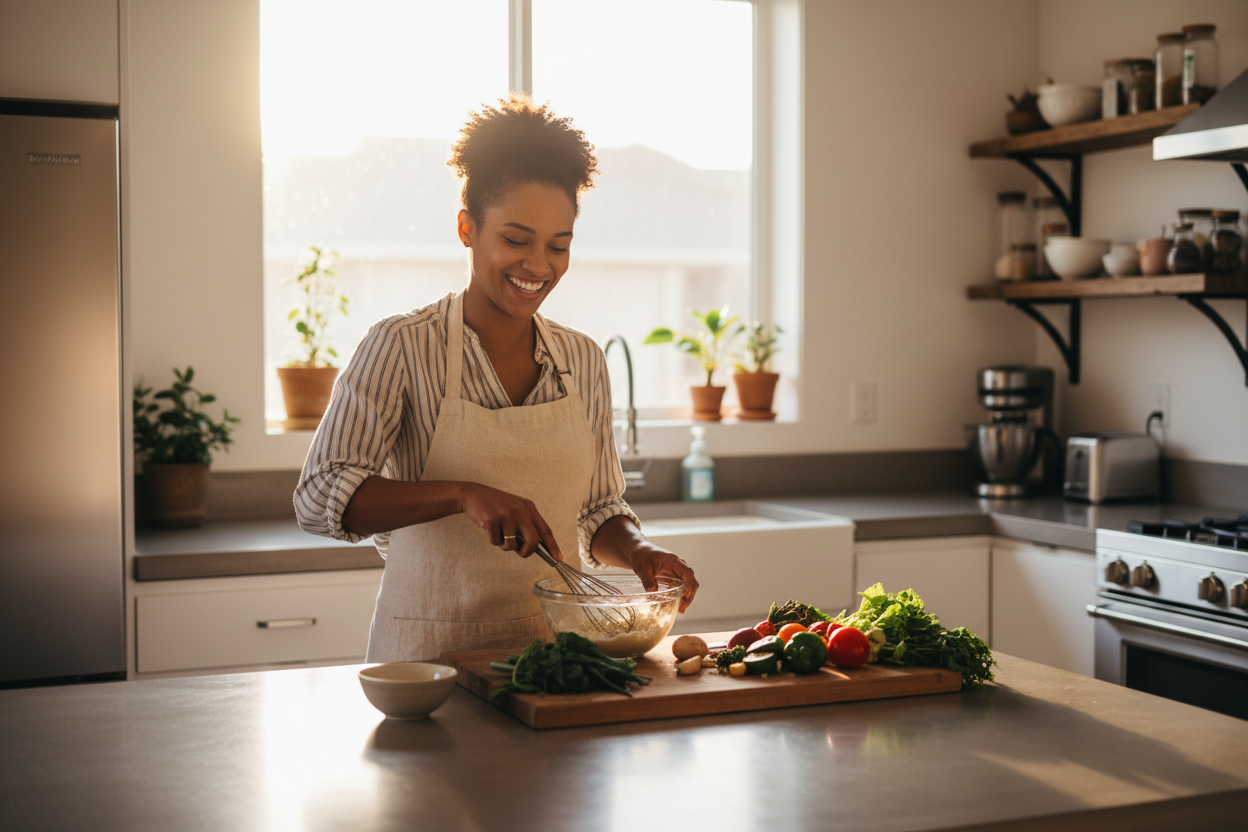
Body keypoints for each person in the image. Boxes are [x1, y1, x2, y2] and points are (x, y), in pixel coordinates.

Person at [294, 95, 699, 662]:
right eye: (516, 240)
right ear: (467, 228)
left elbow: (596, 509)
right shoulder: (402, 346)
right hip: (429, 666)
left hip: (557, 668)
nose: (538, 265)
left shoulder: (582, 360)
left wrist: (637, 550)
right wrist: (463, 495)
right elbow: (319, 497)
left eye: (559, 246)